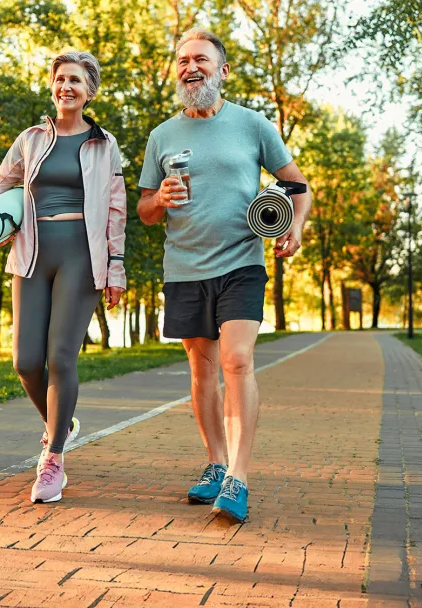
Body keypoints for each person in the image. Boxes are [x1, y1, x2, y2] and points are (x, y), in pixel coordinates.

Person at [136, 29, 312, 522]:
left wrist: (295, 227)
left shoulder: (253, 125)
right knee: (202, 369)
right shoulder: (161, 136)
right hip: (185, 266)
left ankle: (238, 476)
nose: (191, 67)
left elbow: (298, 186)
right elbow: (145, 210)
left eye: (201, 60)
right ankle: (214, 462)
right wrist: (158, 201)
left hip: (242, 262)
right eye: (182, 60)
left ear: (223, 70)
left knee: (236, 361)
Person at [0, 51, 127, 504]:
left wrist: (116, 267)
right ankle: (60, 422)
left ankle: (54, 459)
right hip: (31, 254)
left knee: (61, 358)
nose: (67, 87)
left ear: (89, 91)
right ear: (52, 86)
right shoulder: (30, 139)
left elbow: (117, 208)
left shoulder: (104, 144)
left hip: (82, 256)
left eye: (76, 81)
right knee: (25, 362)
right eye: (61, 79)